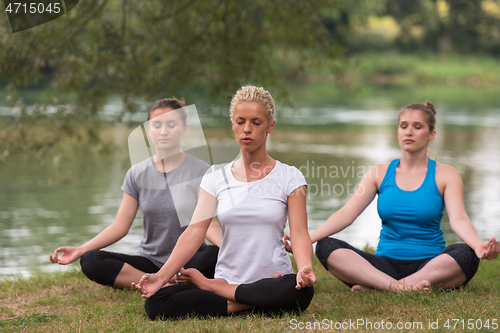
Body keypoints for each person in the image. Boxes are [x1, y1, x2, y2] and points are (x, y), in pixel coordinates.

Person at [132, 86, 316, 320]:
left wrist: (304, 269)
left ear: (270, 126)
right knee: (157, 303)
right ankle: (250, 300)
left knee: (301, 290)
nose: (247, 129)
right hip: (228, 279)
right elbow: (195, 231)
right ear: (233, 124)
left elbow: (299, 234)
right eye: (240, 122)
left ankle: (221, 292)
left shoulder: (290, 176)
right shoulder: (215, 176)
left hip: (273, 277)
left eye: (256, 122)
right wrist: (160, 276)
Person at [310, 102, 499, 292]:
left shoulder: (446, 175)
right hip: (384, 265)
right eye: (403, 126)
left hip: (431, 266)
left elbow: (459, 220)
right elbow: (346, 214)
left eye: (417, 127)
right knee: (326, 245)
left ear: (431, 134)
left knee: (466, 253)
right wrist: (306, 239)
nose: (409, 132)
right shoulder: (379, 173)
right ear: (398, 132)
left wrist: (478, 245)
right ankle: (401, 288)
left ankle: (380, 287)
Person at [49, 98, 221, 288]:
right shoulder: (136, 174)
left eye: (171, 125)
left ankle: (161, 280)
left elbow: (209, 225)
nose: (163, 131)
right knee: (91, 260)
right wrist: (80, 249)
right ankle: (161, 282)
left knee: (212, 255)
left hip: (188, 260)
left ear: (185, 129)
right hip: (149, 261)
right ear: (148, 130)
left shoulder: (202, 171)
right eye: (157, 125)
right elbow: (120, 226)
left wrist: (232, 250)